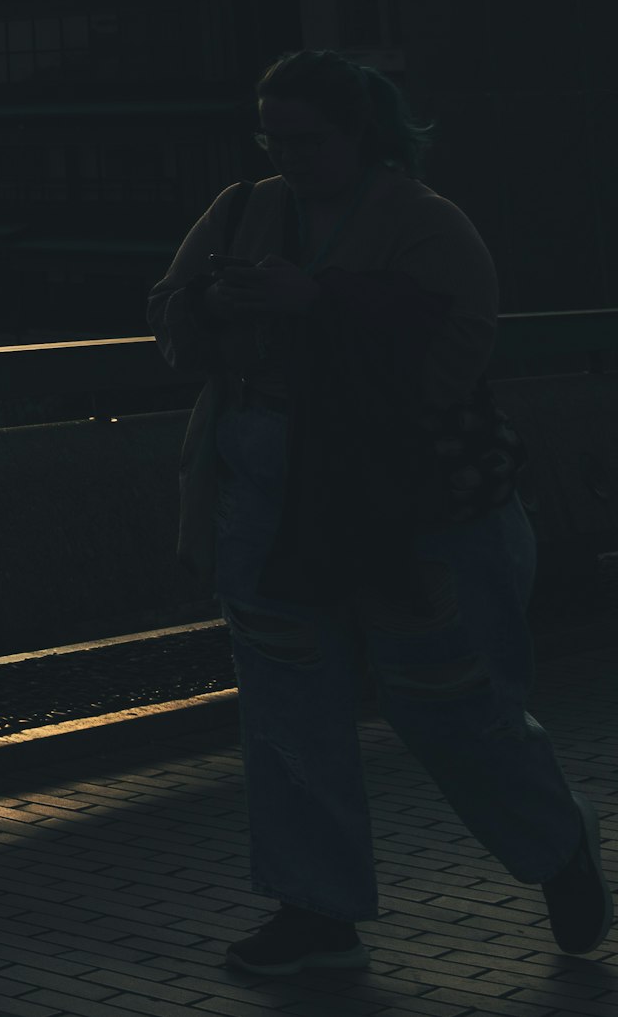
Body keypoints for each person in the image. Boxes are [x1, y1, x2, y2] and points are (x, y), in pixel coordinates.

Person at [149, 50, 603, 978]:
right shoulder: (243, 208)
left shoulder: (426, 223)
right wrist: (209, 300)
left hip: (408, 509)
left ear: (360, 133)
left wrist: (315, 305)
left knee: (452, 707)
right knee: (287, 713)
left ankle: (556, 846)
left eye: (306, 139)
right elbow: (168, 319)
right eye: (273, 136)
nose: (287, 155)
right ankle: (315, 909)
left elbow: (454, 353)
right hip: (270, 503)